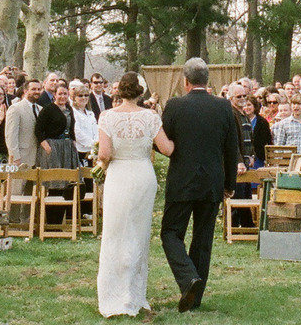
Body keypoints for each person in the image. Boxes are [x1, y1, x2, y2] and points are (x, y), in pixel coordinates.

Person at [160, 57, 239, 313]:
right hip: (212, 182)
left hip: (182, 182)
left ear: (185, 81)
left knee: (170, 233)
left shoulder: (174, 105)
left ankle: (188, 279)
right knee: (203, 239)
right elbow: (231, 148)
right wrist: (229, 183)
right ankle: (195, 296)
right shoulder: (223, 106)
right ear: (208, 80)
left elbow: (163, 143)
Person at [96, 71, 173, 318]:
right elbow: (167, 149)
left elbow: (104, 154)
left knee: (114, 232)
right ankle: (133, 294)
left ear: (120, 91)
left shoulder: (107, 117)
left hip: (118, 176)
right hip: (142, 175)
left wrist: (102, 164)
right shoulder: (150, 116)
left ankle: (113, 295)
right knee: (138, 234)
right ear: (141, 92)